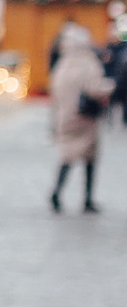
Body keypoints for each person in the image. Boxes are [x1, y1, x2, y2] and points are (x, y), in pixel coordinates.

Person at [50, 22, 109, 214]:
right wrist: (111, 87)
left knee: (66, 156)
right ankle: (87, 198)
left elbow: (55, 93)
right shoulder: (89, 63)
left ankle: (57, 192)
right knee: (89, 158)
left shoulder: (63, 64)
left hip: (65, 117)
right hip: (85, 119)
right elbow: (95, 88)